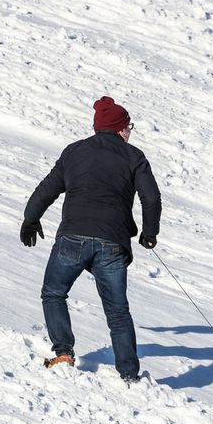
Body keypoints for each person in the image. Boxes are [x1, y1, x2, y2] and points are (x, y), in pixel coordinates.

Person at [21, 96, 162, 383]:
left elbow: (47, 188)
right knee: (118, 311)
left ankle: (63, 352)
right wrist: (149, 233)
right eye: (128, 126)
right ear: (120, 129)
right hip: (112, 243)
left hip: (73, 237)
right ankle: (129, 375)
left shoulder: (74, 152)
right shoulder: (134, 156)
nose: (130, 132)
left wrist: (31, 218)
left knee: (54, 293)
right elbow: (152, 197)